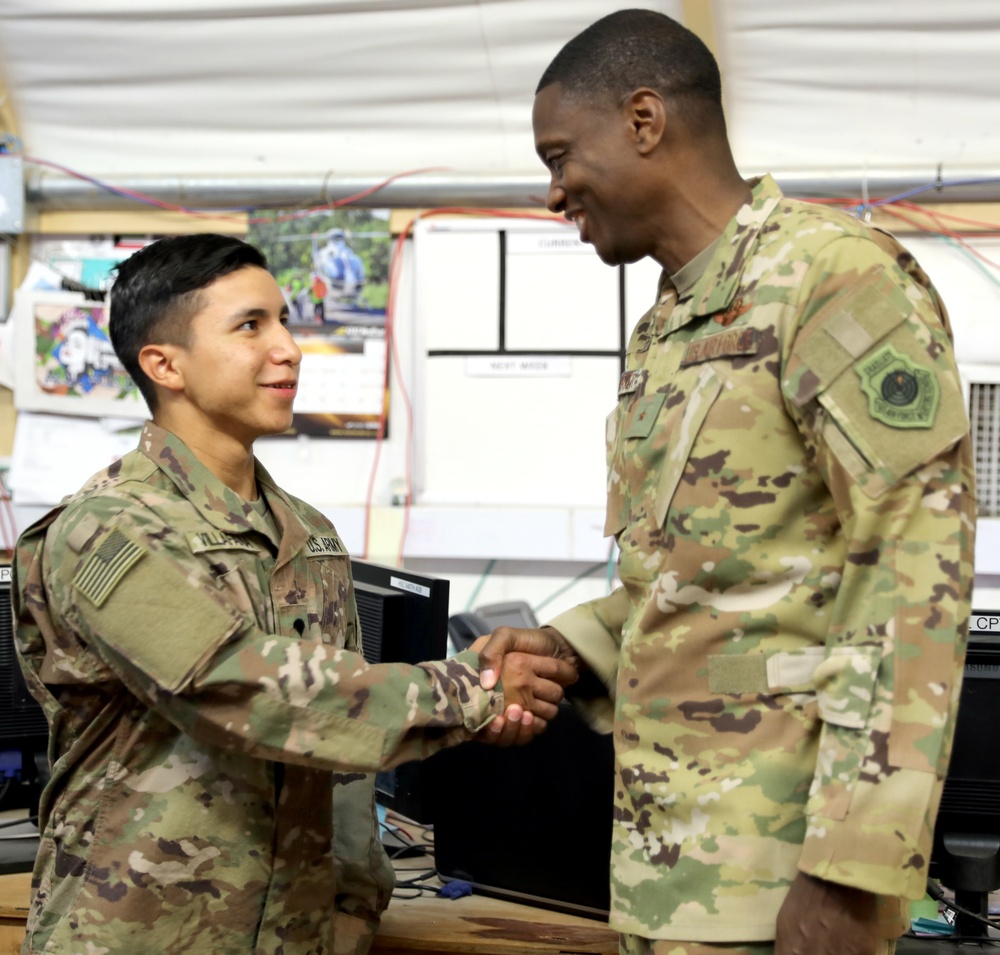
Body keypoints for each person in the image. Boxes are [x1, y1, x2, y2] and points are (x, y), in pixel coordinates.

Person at [478, 9, 976, 955]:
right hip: (670, 871)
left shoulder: (830, 280)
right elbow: (698, 583)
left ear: (644, 120)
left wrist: (851, 872)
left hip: (785, 873)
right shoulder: (666, 329)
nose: (553, 193)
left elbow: (914, 584)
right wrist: (568, 646)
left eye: (559, 155)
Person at [12, 233, 576, 955]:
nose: (288, 348)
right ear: (164, 363)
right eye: (251, 326)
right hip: (134, 935)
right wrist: (473, 689)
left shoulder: (308, 534)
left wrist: (352, 901)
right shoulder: (106, 529)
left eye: (284, 320)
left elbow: (335, 745)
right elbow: (236, 686)